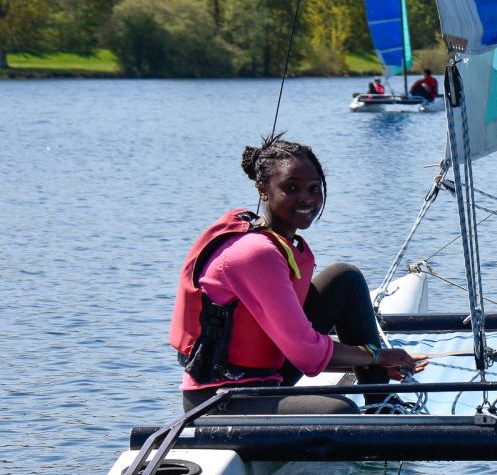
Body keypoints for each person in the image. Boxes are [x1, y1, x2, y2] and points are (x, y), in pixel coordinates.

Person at [170, 135, 426, 414]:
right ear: (263, 190)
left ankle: (381, 402)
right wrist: (377, 356)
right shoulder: (256, 253)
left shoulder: (279, 242)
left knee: (345, 279)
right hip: (220, 397)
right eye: (291, 188)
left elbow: (299, 347)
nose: (306, 198)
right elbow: (308, 353)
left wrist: (372, 362)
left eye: (314, 188)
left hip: (267, 375)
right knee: (339, 411)